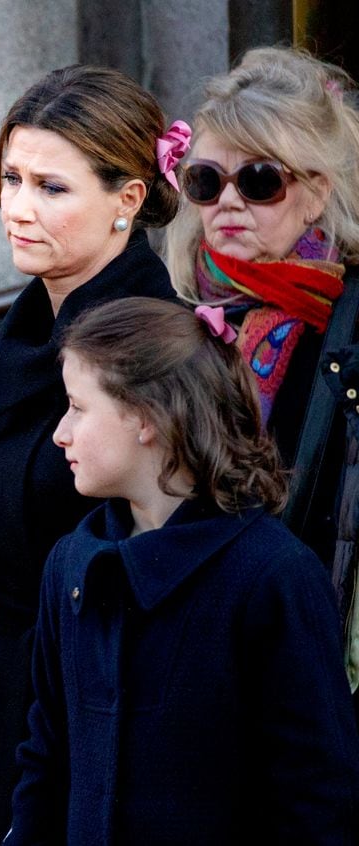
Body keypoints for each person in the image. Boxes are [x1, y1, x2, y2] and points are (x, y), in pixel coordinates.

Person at [0, 65, 184, 845]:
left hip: (104, 696)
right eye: (11, 178)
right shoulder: (28, 321)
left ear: (128, 200)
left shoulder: (149, 342)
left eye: (51, 187)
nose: (17, 209)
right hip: (11, 679)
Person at [3, 297, 359, 844]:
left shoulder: (274, 576)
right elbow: (45, 754)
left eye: (77, 407)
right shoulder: (71, 563)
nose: (60, 433)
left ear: (146, 417)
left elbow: (317, 793)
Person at [165, 47, 359, 685]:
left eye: (259, 180)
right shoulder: (177, 315)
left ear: (314, 194)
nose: (227, 201)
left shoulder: (349, 323)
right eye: (205, 181)